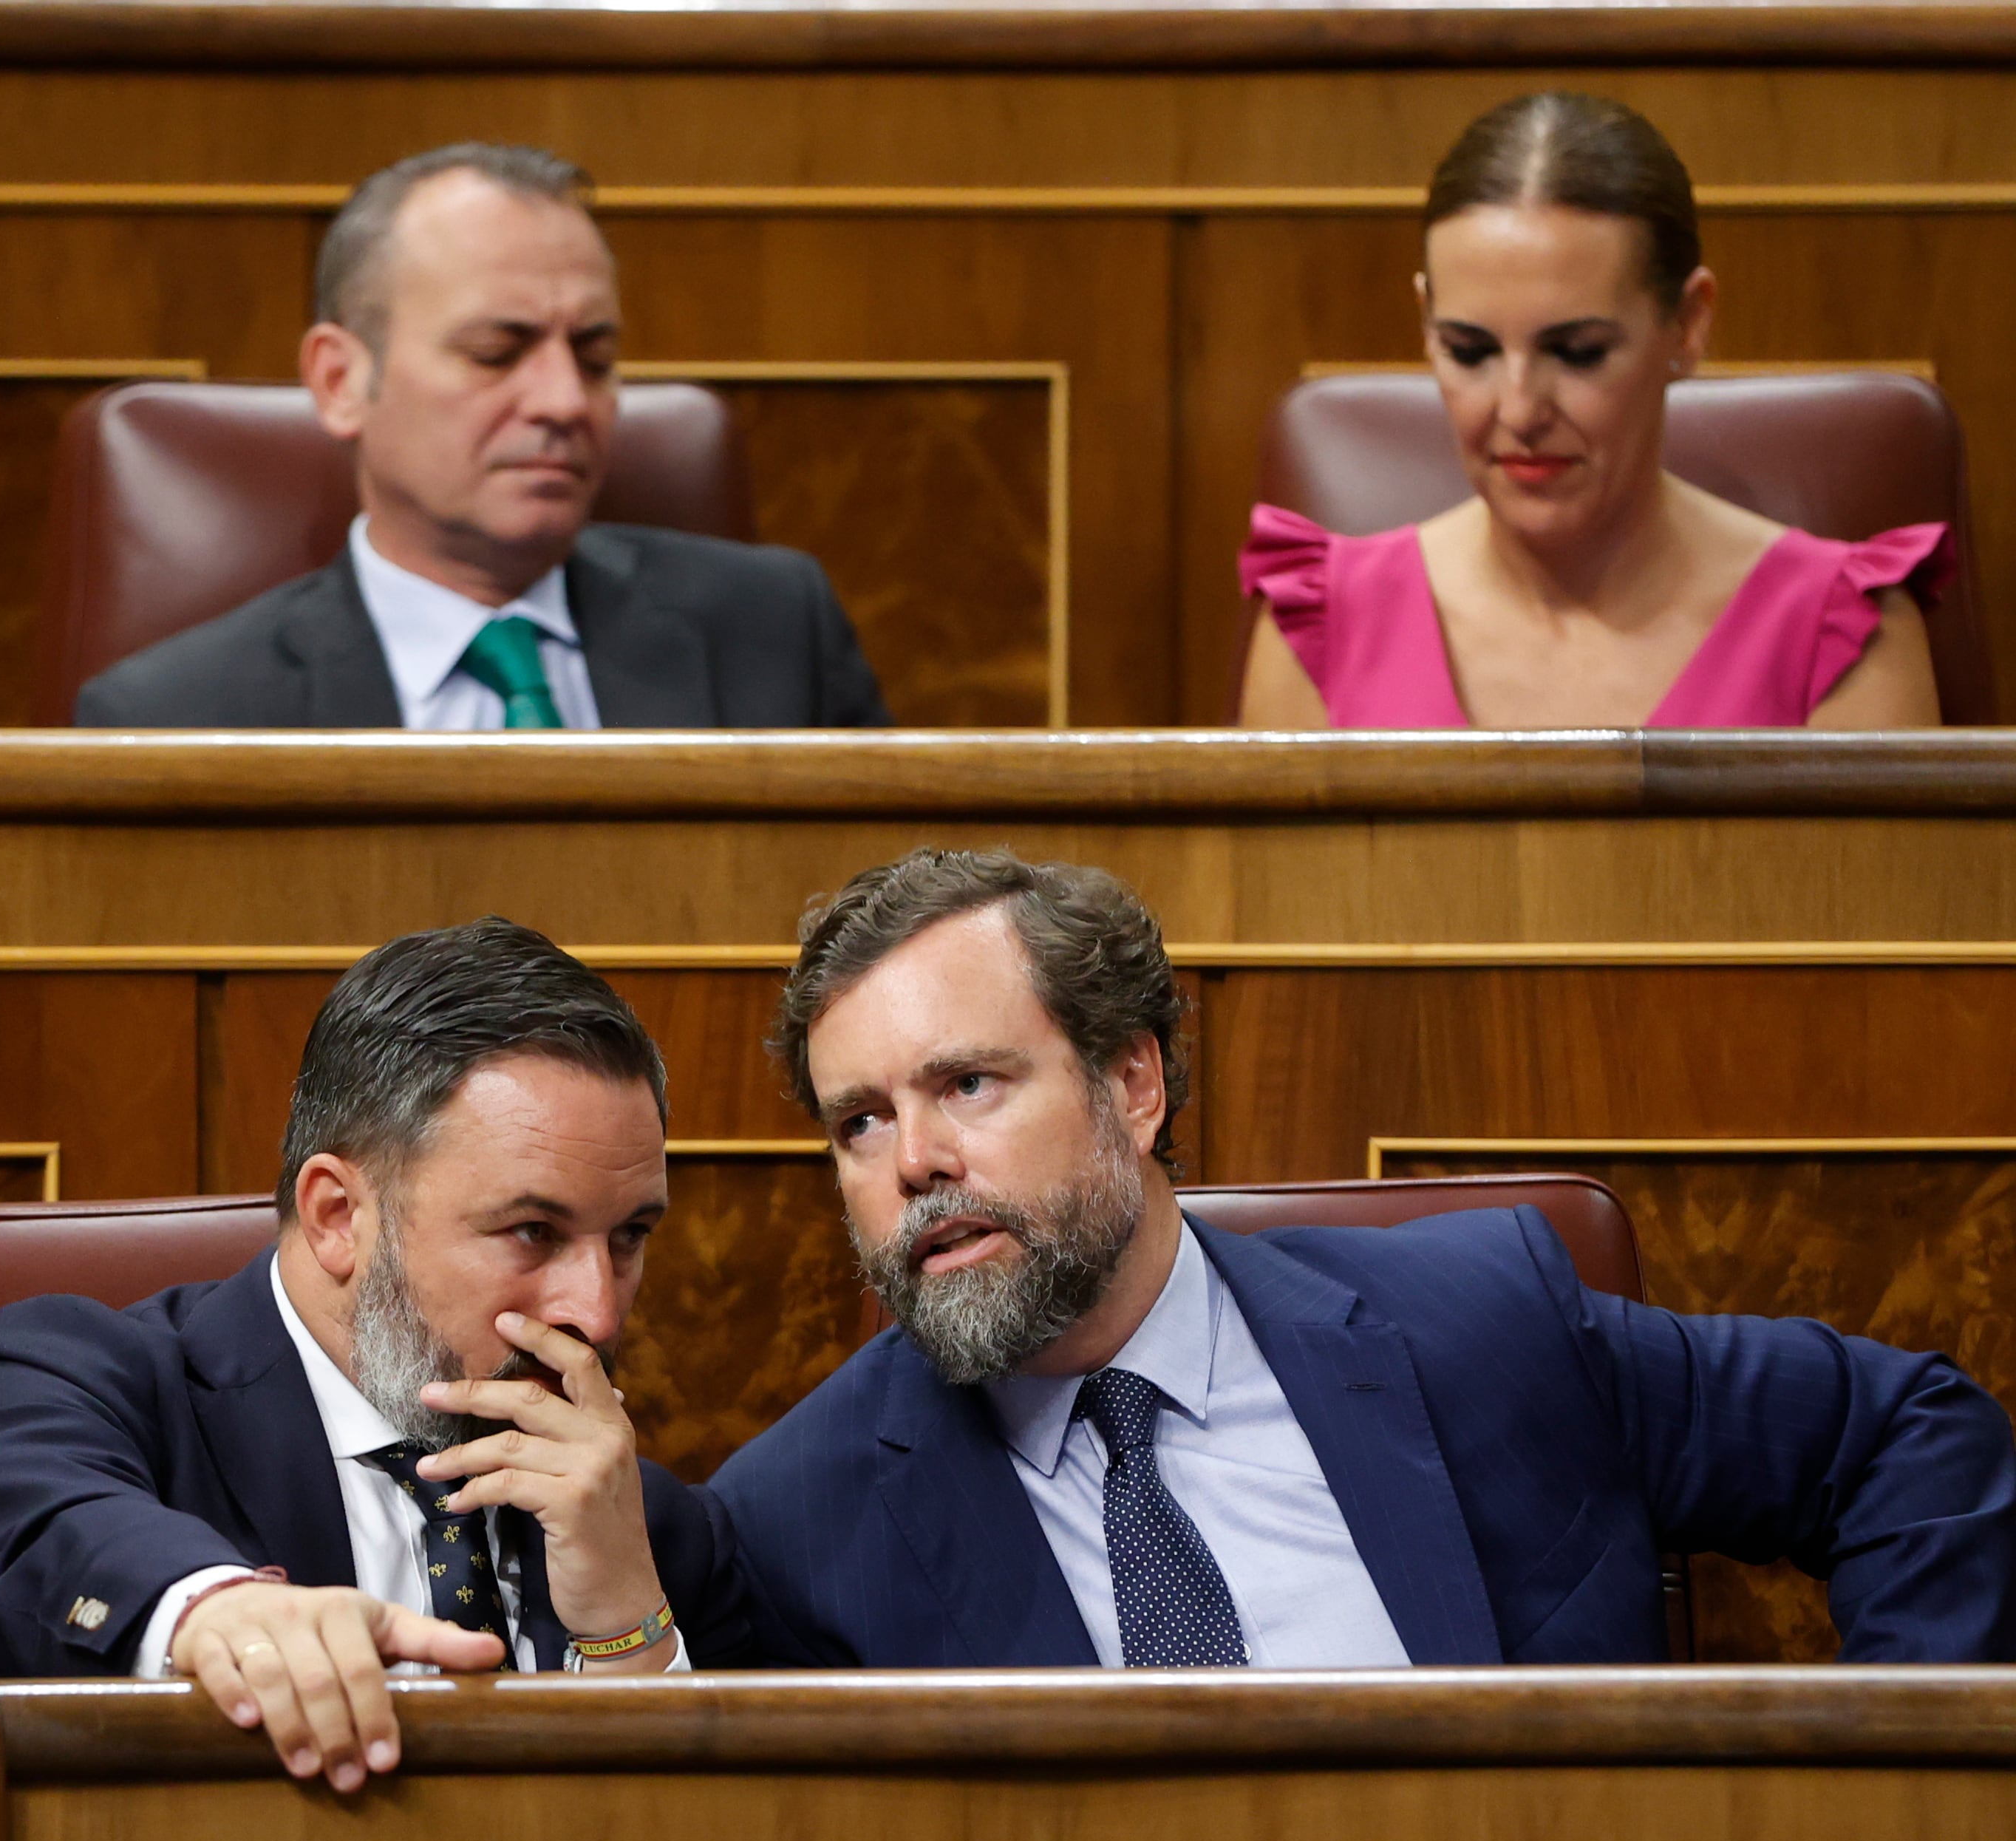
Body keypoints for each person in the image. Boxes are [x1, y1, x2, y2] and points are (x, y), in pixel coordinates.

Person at [711, 846, 2016, 1670]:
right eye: (859, 1122)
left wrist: (1874, 1817)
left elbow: (1903, 1434)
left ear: (1131, 1081)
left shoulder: (1483, 1323)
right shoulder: (797, 1517)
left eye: (967, 1084)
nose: (913, 1162)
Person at [0, 917, 752, 1841]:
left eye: (630, 1237)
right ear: (338, 1215)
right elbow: (25, 1509)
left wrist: (628, 1638)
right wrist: (222, 1616)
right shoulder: (76, 1382)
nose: (594, 1310)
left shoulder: (634, 1528)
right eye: (532, 1234)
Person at [73, 143, 890, 729]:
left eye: (594, 356)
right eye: (495, 353)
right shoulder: (176, 717)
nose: (564, 400)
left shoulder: (778, 632)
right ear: (340, 381)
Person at [1236, 92, 1947, 731]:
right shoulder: (1321, 626)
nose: (1519, 409)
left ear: (1690, 323)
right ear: (1425, 320)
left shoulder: (1845, 635)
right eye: (1468, 349)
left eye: (1577, 351)